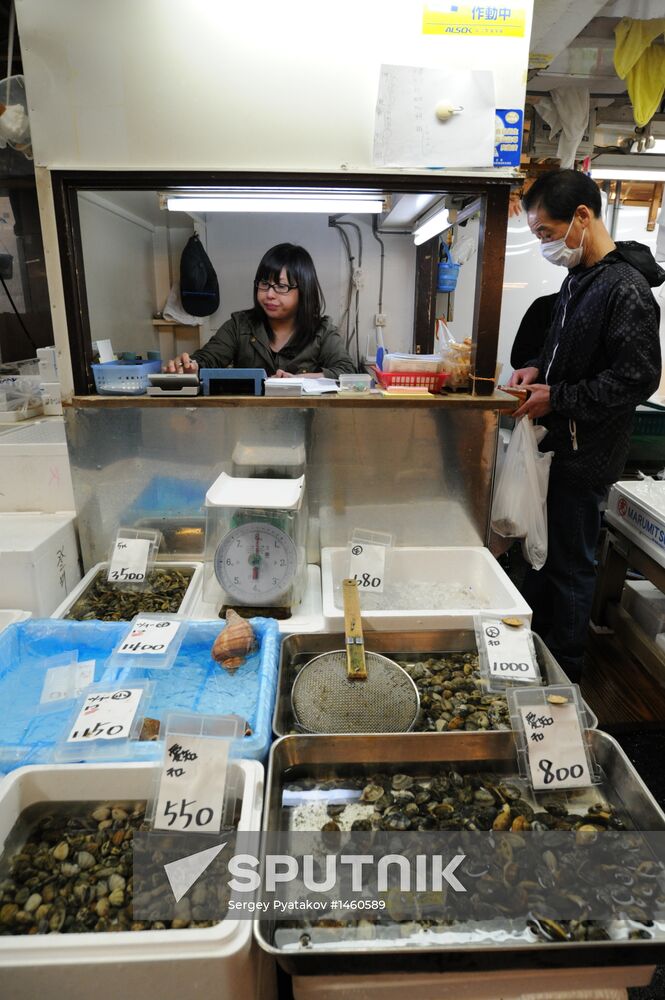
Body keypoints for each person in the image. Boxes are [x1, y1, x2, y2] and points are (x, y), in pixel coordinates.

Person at [508, 168, 663, 681]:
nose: (546, 246)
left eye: (547, 235)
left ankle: (567, 678)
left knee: (572, 568)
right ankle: (539, 660)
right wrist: (537, 370)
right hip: (561, 449)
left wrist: (561, 397)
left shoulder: (626, 289)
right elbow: (568, 359)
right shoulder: (579, 280)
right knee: (545, 562)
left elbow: (637, 378)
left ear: (581, 217)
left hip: (586, 456)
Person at [165, 243, 356, 379]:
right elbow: (208, 359)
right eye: (264, 284)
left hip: (306, 423)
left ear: (303, 291)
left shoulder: (322, 331)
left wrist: (301, 380)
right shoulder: (239, 325)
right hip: (248, 423)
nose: (269, 294)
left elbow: (347, 371)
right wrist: (191, 366)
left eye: (281, 286)